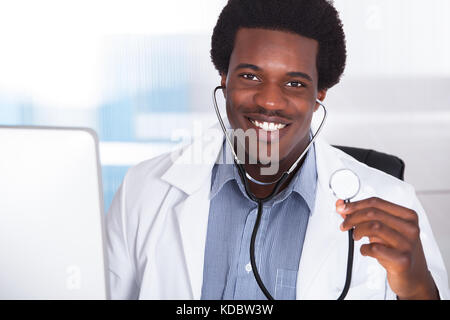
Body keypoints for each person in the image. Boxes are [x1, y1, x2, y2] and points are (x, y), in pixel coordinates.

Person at [106, 0, 449, 300]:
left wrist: (418, 289)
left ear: (320, 94)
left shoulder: (393, 200)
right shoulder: (144, 190)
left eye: (295, 83)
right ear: (224, 77)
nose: (270, 100)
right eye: (250, 77)